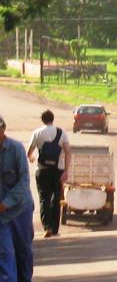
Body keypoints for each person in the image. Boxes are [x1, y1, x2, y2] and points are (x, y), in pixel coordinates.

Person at [0, 114, 34, 282]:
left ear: (3, 130)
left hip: (21, 209)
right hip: (1, 216)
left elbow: (24, 181)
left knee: (23, 251)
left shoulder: (16, 148)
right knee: (5, 253)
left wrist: (6, 203)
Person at [26, 110, 70, 239]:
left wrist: (32, 159)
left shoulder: (37, 133)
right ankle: (55, 228)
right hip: (57, 170)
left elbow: (29, 152)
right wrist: (66, 170)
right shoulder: (62, 133)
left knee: (44, 198)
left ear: (42, 120)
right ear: (53, 119)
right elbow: (68, 152)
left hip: (42, 170)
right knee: (56, 199)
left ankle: (47, 227)